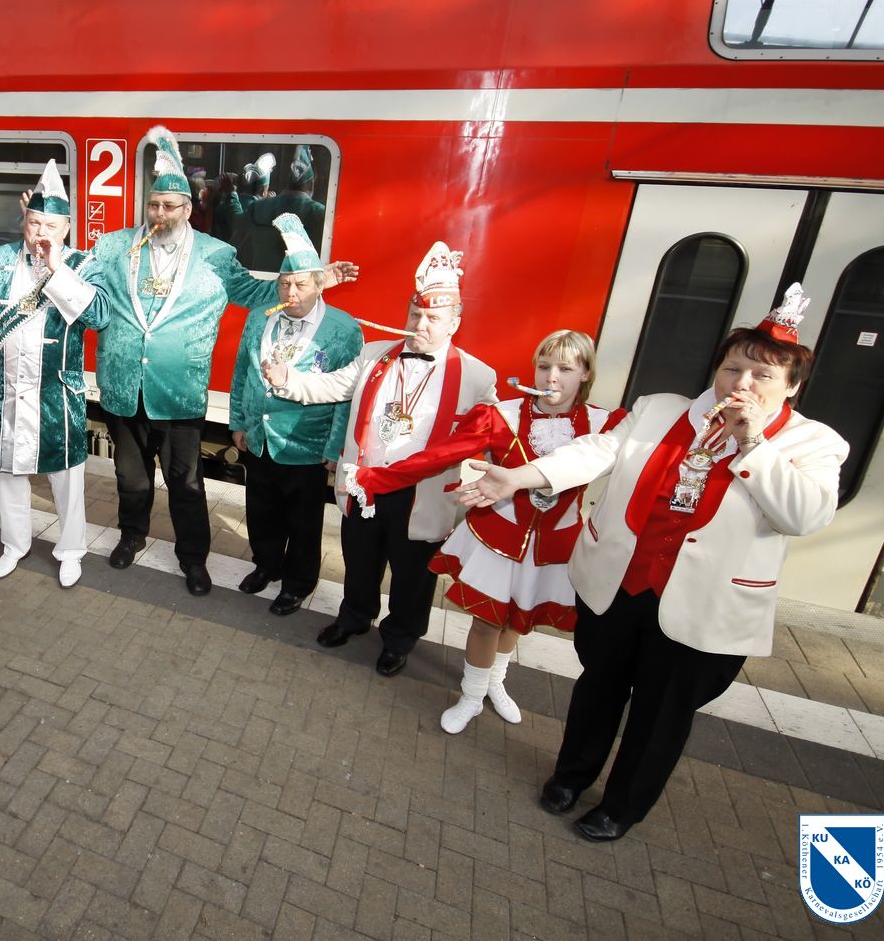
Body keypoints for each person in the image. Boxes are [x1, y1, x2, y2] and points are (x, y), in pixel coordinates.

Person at [459, 285, 847, 841]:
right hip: (621, 586)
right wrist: (519, 477)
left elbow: (805, 515)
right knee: (598, 688)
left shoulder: (814, 443)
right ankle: (571, 776)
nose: (742, 383)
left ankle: (621, 807)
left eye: (762, 375)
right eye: (733, 368)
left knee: (661, 715)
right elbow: (595, 452)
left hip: (703, 606)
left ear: (791, 385)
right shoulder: (660, 410)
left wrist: (754, 444)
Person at [86, 125, 358, 597]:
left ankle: (193, 558)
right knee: (130, 476)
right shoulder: (114, 246)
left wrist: (314, 280)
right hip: (124, 385)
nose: (160, 213)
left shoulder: (215, 255)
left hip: (180, 392)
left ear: (188, 209)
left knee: (187, 484)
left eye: (170, 206)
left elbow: (254, 293)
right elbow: (84, 290)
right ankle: (132, 536)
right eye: (154, 204)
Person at [263, 241, 497, 677]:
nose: (420, 325)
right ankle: (354, 617)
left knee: (413, 576)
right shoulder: (374, 354)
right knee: (360, 560)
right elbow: (332, 386)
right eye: (415, 315)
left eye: (433, 319)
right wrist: (287, 378)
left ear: (455, 322)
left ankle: (399, 638)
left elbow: (491, 437)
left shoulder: (479, 377)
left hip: (422, 494)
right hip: (365, 485)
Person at [430, 330, 624, 734]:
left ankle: (495, 682)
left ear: (586, 374)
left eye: (565, 368)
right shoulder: (502, 414)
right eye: (544, 366)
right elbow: (442, 453)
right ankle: (471, 695)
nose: (551, 376)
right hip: (499, 535)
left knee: (519, 620)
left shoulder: (607, 424)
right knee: (487, 622)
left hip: (555, 544)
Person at [0, 161, 108, 588]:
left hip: (57, 394)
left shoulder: (84, 265)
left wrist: (56, 269)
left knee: (67, 479)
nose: (41, 232)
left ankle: (71, 550)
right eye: (34, 222)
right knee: (9, 475)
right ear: (23, 221)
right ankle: (14, 545)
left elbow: (100, 316)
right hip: (7, 388)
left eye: (51, 225)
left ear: (66, 228)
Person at [228, 213, 363, 614]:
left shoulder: (344, 329)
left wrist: (335, 447)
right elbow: (242, 371)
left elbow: (346, 394)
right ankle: (266, 564)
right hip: (260, 436)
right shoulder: (260, 317)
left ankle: (298, 582)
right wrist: (238, 421)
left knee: (303, 521)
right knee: (261, 509)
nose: (291, 292)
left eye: (301, 284)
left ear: (320, 284)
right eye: (285, 283)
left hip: (307, 443)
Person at [231, 144, 327, 272]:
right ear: (312, 184)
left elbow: (235, 242)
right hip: (300, 282)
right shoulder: (320, 213)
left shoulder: (258, 207)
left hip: (260, 279)